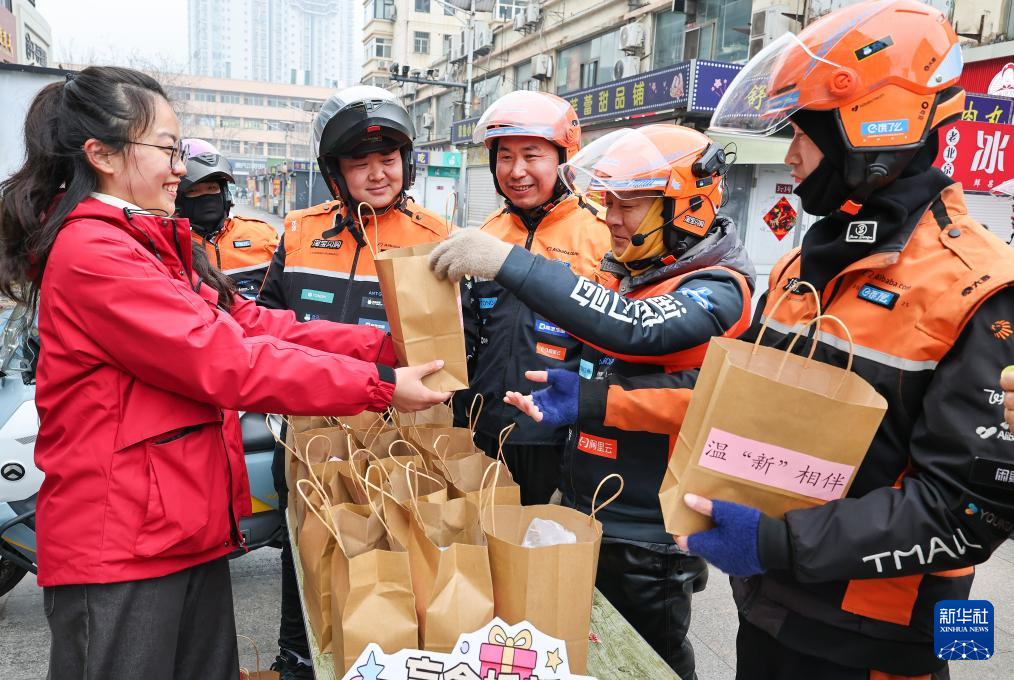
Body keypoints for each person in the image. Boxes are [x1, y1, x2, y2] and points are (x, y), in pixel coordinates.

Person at [0, 66, 450, 680]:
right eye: (167, 149)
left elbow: (254, 324)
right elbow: (227, 359)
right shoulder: (95, 253)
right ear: (101, 155)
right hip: (121, 539)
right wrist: (381, 387)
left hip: (175, 524)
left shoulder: (147, 240)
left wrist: (382, 348)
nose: (180, 168)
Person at [674, 2, 1014, 678]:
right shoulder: (801, 267)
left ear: (871, 124)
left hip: (875, 645)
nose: (790, 155)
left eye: (803, 133)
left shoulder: (977, 287)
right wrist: (599, 405)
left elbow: (970, 511)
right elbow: (741, 411)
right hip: (767, 610)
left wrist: (780, 542)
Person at [430, 123, 755, 679]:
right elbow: (614, 364)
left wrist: (509, 262)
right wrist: (576, 398)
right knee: (592, 656)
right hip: (593, 507)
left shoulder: (720, 286)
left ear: (688, 208)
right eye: (609, 204)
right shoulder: (631, 274)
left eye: (630, 206)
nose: (612, 219)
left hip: (651, 531)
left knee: (650, 663)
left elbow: (638, 329)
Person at [257, 84, 450, 680]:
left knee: (397, 560)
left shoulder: (436, 235)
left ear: (407, 162)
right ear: (334, 172)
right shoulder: (298, 230)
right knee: (306, 553)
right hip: (309, 435)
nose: (377, 174)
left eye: (388, 159)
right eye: (359, 163)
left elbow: (452, 345)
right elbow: (267, 324)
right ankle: (296, 659)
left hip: (400, 435)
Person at [454, 90, 612, 505]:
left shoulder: (602, 234)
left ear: (564, 159)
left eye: (531, 156)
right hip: (482, 429)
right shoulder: (487, 233)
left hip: (559, 438)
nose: (516, 171)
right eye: (505, 157)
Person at [175, 138, 278, 298]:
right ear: (179, 199)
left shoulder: (262, 235)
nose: (206, 196)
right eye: (194, 190)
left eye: (212, 188)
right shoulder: (173, 243)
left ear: (225, 194)